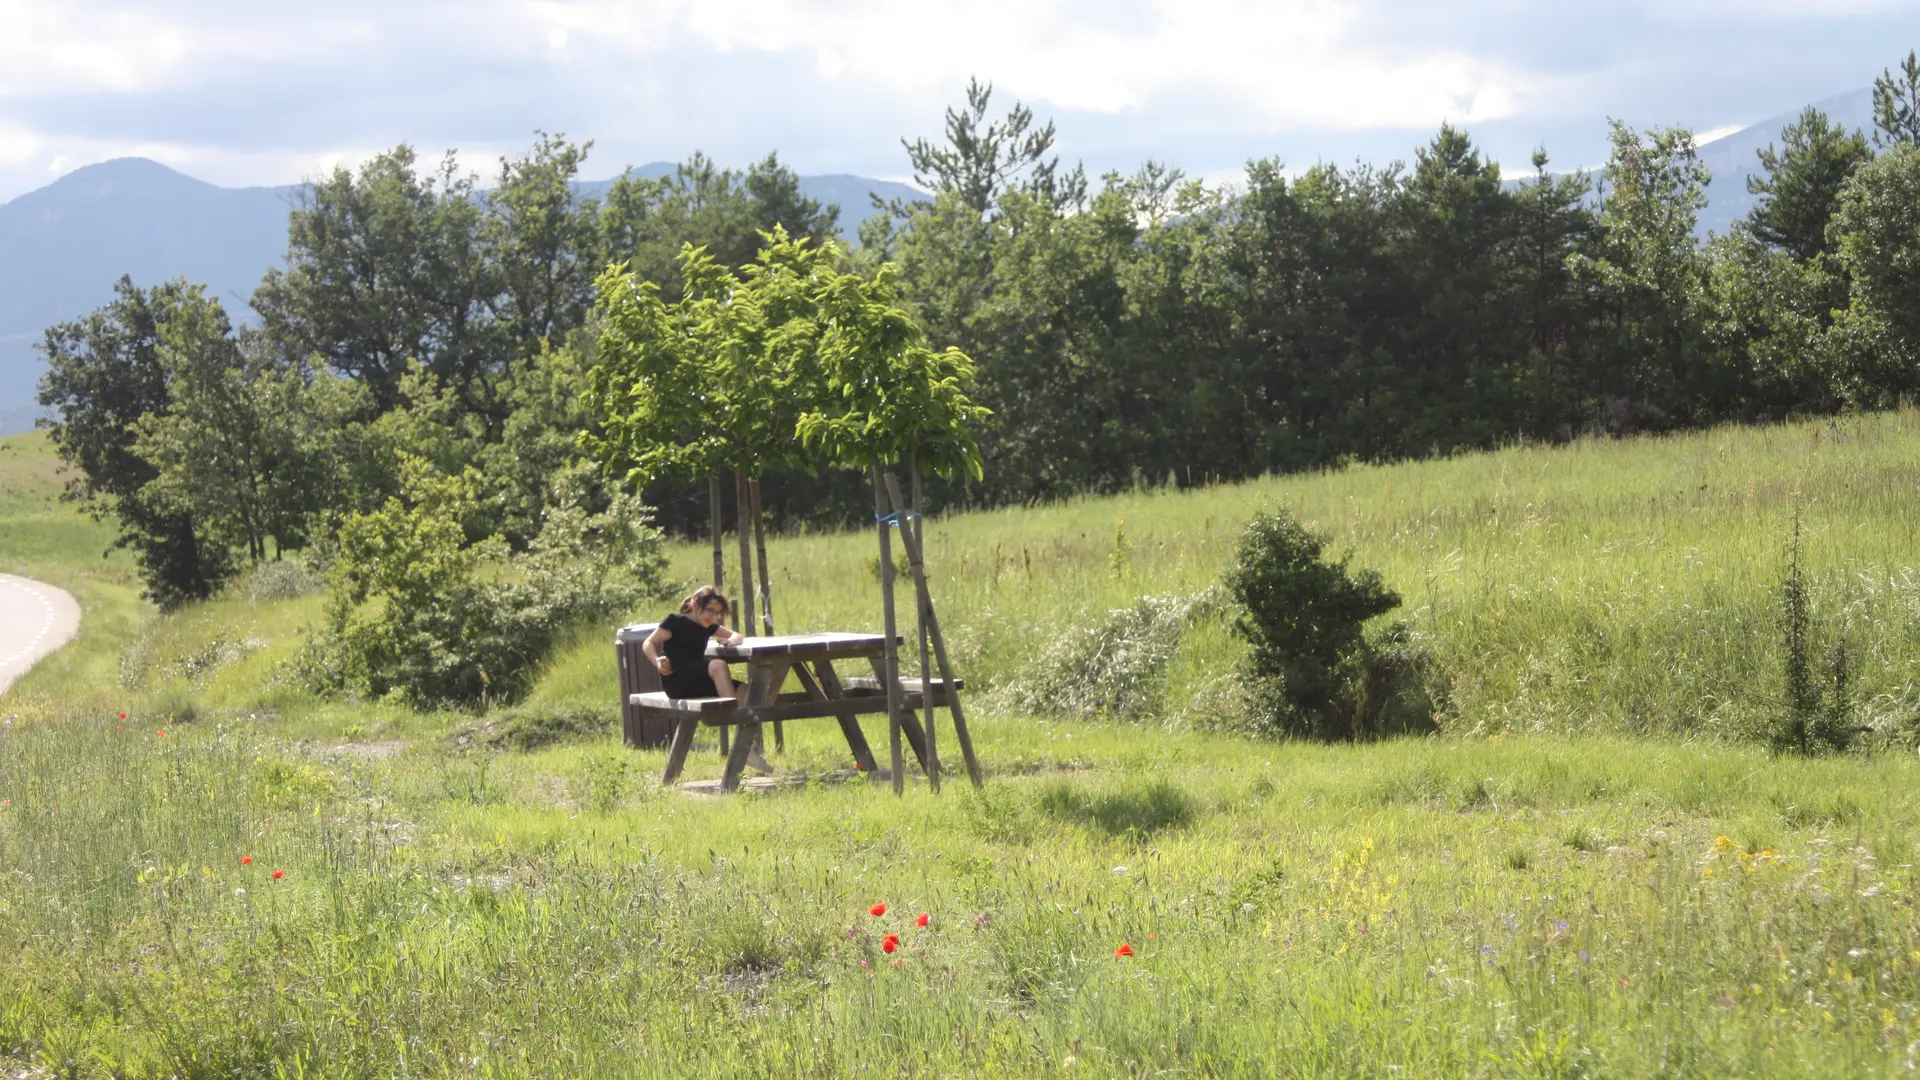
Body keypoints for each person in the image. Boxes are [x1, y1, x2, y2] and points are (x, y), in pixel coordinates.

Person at [642, 586, 771, 774]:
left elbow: (737, 635)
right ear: (694, 604)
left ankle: (745, 746)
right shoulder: (675, 622)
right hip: (677, 680)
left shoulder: (708, 626)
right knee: (718, 664)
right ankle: (734, 723)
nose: (713, 617)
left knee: (743, 690)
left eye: (718, 613)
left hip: (698, 679)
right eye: (710, 610)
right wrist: (657, 661)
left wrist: (730, 641)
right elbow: (649, 642)